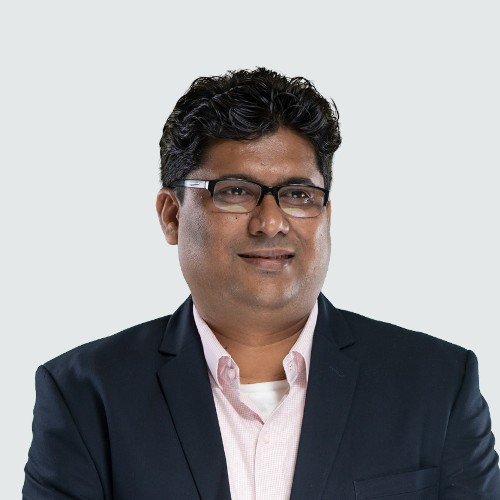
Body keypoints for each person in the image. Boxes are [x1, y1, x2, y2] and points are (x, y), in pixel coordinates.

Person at [23, 68, 500, 500]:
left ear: (326, 215)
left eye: (298, 194)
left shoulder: (437, 385)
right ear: (171, 215)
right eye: (235, 191)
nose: (271, 222)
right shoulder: (85, 396)